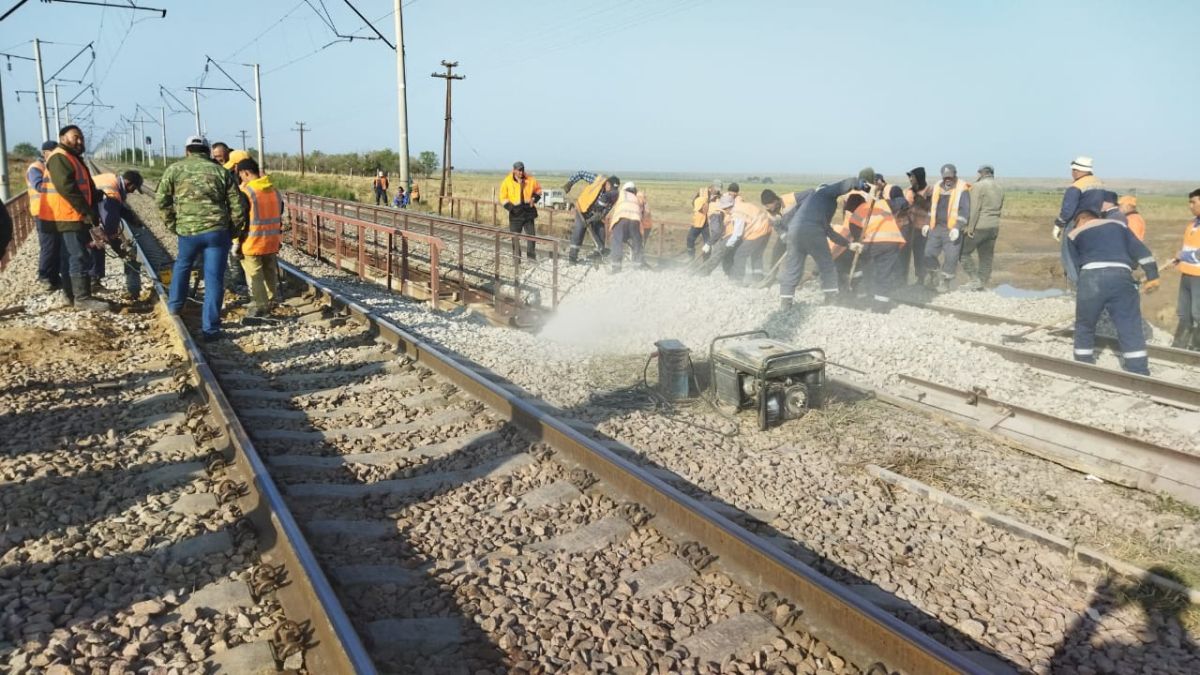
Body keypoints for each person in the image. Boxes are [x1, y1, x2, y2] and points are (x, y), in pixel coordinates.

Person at [157, 135, 246, 342]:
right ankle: (211, 329)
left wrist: (173, 225)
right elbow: (238, 206)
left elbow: (161, 202)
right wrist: (231, 231)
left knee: (182, 265)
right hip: (217, 232)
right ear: (207, 152)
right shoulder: (221, 172)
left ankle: (175, 306)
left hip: (187, 232)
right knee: (214, 278)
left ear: (187, 151)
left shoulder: (173, 170)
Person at [1067, 209, 1159, 374]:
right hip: (1121, 276)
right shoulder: (1118, 226)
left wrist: (1082, 289)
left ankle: (1083, 366)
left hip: (1090, 278)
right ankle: (1138, 370)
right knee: (1129, 324)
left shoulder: (1074, 234)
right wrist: (1152, 275)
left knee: (1085, 324)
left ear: (1081, 219)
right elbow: (1141, 251)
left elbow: (1075, 266)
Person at [778, 169, 871, 308]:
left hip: (794, 233)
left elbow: (827, 230)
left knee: (793, 269)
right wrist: (860, 183)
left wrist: (848, 244)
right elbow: (842, 185)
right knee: (827, 266)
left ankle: (785, 304)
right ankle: (830, 301)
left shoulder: (810, 206)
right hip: (812, 232)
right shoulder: (823, 193)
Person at [39, 125, 105, 311]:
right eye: (75, 137)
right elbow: (67, 188)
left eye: (81, 138)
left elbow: (81, 185)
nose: (79, 141)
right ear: (62, 137)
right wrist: (87, 212)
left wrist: (94, 195)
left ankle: (70, 296)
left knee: (69, 256)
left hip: (68, 214)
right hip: (67, 215)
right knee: (78, 256)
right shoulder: (60, 157)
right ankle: (82, 298)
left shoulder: (71, 157)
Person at [233, 158, 283, 319]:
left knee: (254, 275)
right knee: (269, 272)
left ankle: (260, 307)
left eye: (241, 176)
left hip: (252, 242)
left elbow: (240, 219)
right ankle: (271, 300)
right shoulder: (274, 191)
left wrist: (235, 242)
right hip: (272, 240)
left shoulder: (247, 193)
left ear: (245, 173)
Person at [846, 187, 907, 312]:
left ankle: (868, 298)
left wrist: (859, 242)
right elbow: (903, 202)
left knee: (868, 271)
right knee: (884, 273)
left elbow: (854, 229)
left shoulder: (860, 209)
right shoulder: (885, 204)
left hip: (872, 243)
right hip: (892, 243)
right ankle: (881, 305)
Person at [91, 170, 146, 300]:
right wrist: (120, 251)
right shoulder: (112, 193)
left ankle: (91, 281)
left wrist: (133, 219)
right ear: (128, 183)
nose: (132, 192)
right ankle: (91, 283)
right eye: (133, 188)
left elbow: (118, 209)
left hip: (80, 209)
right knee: (97, 244)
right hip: (77, 214)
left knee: (95, 243)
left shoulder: (111, 179)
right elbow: (110, 229)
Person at [1054, 156, 1105, 286]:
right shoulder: (1099, 183)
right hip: (1096, 223)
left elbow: (1067, 210)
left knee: (1069, 255)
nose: (1072, 173)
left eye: (1073, 170)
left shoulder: (1076, 186)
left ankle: (1076, 287)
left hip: (1077, 223)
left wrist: (1059, 225)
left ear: (1077, 170)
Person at [922, 163, 971, 292]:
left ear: (955, 174)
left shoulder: (962, 188)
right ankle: (933, 276)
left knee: (951, 257)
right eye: (945, 177)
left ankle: (945, 281)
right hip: (936, 227)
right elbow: (931, 208)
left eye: (950, 176)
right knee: (928, 253)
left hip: (951, 229)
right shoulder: (937, 186)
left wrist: (957, 227)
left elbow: (964, 210)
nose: (947, 179)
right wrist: (927, 223)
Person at [961, 164, 1004, 290]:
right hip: (994, 226)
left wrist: (970, 228)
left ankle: (974, 280)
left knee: (963, 252)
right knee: (986, 256)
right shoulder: (1000, 187)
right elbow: (1000, 207)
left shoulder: (978, 186)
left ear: (981, 173)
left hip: (980, 226)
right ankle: (982, 283)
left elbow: (974, 209)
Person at [563, 171, 619, 263]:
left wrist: (590, 220)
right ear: (607, 184)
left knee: (600, 229)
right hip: (582, 209)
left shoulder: (613, 195)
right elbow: (580, 173)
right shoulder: (596, 180)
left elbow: (604, 212)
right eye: (611, 189)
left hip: (594, 214)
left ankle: (597, 255)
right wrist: (570, 183)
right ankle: (572, 258)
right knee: (579, 229)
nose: (611, 192)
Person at [27, 141, 61, 291]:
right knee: (48, 245)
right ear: (45, 153)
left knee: (56, 244)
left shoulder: (50, 167)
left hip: (52, 211)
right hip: (41, 211)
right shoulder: (36, 168)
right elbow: (39, 186)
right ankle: (44, 276)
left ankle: (54, 276)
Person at [718, 194, 773, 284]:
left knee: (740, 254)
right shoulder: (741, 205)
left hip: (757, 231)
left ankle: (737, 279)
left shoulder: (737, 213)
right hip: (767, 228)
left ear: (727, 207)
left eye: (724, 209)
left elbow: (737, 233)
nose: (725, 211)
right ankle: (758, 278)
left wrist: (728, 245)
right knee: (757, 254)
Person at [1172, 189, 1200, 350]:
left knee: (1198, 313)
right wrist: (1179, 259)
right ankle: (1179, 347)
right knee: (1184, 313)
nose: (1190, 206)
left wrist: (1184, 255)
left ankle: (1197, 350)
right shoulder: (1192, 224)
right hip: (1187, 275)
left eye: (1193, 202)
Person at [499, 161, 542, 260]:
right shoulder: (507, 181)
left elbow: (539, 191)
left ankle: (531, 258)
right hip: (515, 213)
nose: (521, 172)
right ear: (514, 170)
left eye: (522, 170)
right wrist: (512, 209)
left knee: (532, 237)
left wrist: (534, 199)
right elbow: (503, 198)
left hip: (528, 212)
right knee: (515, 238)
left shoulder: (530, 180)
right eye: (518, 170)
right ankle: (516, 259)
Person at [606, 181, 651, 273]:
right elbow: (645, 212)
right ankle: (637, 266)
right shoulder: (636, 197)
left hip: (621, 219)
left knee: (617, 241)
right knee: (636, 242)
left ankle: (616, 267)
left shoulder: (621, 194)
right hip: (635, 220)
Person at [902, 167, 932, 284]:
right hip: (908, 228)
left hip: (923, 229)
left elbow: (933, 209)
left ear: (918, 177)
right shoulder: (908, 191)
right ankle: (903, 279)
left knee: (920, 254)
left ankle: (922, 279)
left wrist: (928, 224)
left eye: (912, 177)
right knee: (904, 255)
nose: (910, 179)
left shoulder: (930, 191)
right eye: (909, 177)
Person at [687, 182, 721, 259]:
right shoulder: (702, 192)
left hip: (708, 224)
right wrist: (706, 204)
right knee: (690, 239)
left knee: (707, 243)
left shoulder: (719, 197)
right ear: (711, 187)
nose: (717, 191)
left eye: (718, 190)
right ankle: (691, 258)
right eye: (716, 189)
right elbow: (694, 203)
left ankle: (705, 262)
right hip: (698, 221)